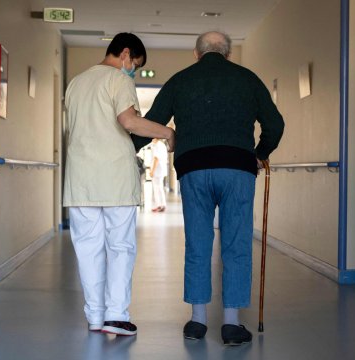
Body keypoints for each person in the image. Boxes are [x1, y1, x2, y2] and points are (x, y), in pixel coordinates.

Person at [133, 31, 284, 345]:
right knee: (236, 246)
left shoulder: (181, 79)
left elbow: (153, 121)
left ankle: (197, 321)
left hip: (194, 169)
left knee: (198, 243)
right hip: (237, 170)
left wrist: (128, 145)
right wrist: (260, 154)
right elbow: (275, 124)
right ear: (227, 53)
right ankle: (230, 324)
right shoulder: (247, 78)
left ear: (196, 53)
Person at [63, 32, 175, 336]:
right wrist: (166, 132)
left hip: (80, 180)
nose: (133, 72)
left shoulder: (76, 82)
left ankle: (96, 317)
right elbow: (128, 121)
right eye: (135, 65)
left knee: (87, 249)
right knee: (120, 247)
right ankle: (116, 315)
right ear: (125, 54)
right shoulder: (118, 80)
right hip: (113, 177)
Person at [149, 138, 168, 212]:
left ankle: (159, 205)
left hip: (157, 170)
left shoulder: (157, 145)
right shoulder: (162, 145)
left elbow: (156, 159)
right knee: (160, 188)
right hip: (161, 170)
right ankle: (162, 205)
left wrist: (152, 171)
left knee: (157, 188)